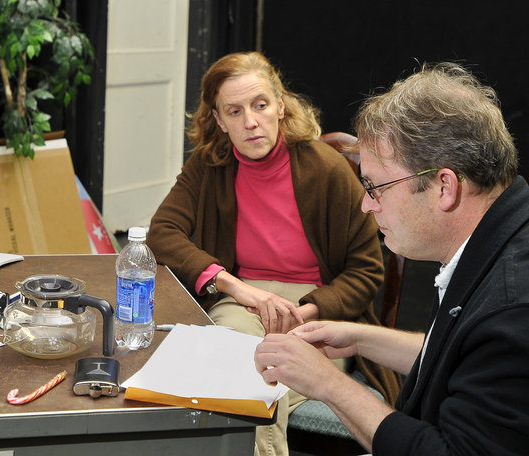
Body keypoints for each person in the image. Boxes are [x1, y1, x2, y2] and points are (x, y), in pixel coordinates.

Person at [255, 62, 529, 455]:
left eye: (374, 186)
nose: (367, 204)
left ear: (443, 187)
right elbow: (461, 355)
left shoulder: (512, 308)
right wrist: (359, 339)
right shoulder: (502, 232)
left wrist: (328, 384)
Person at [146, 51, 401, 456]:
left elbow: (366, 272)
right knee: (235, 366)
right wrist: (238, 289)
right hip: (241, 302)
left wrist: (307, 311)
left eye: (260, 105)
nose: (250, 121)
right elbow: (162, 233)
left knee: (262, 374)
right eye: (234, 110)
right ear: (218, 119)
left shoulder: (327, 170)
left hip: (316, 308)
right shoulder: (209, 167)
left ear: (280, 106)